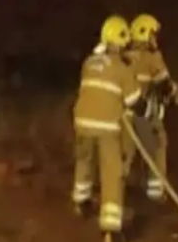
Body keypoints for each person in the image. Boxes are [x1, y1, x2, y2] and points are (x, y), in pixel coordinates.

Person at [72, 15, 146, 242]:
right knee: (112, 173)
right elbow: (134, 101)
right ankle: (111, 229)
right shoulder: (122, 67)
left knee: (84, 160)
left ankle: (81, 201)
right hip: (106, 126)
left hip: (82, 122)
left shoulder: (89, 62)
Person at [124, 13, 178, 203]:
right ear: (144, 34)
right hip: (143, 113)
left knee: (123, 154)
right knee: (158, 144)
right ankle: (155, 192)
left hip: (121, 114)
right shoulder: (152, 57)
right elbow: (164, 84)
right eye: (153, 34)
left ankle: (114, 193)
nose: (155, 39)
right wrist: (174, 92)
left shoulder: (124, 56)